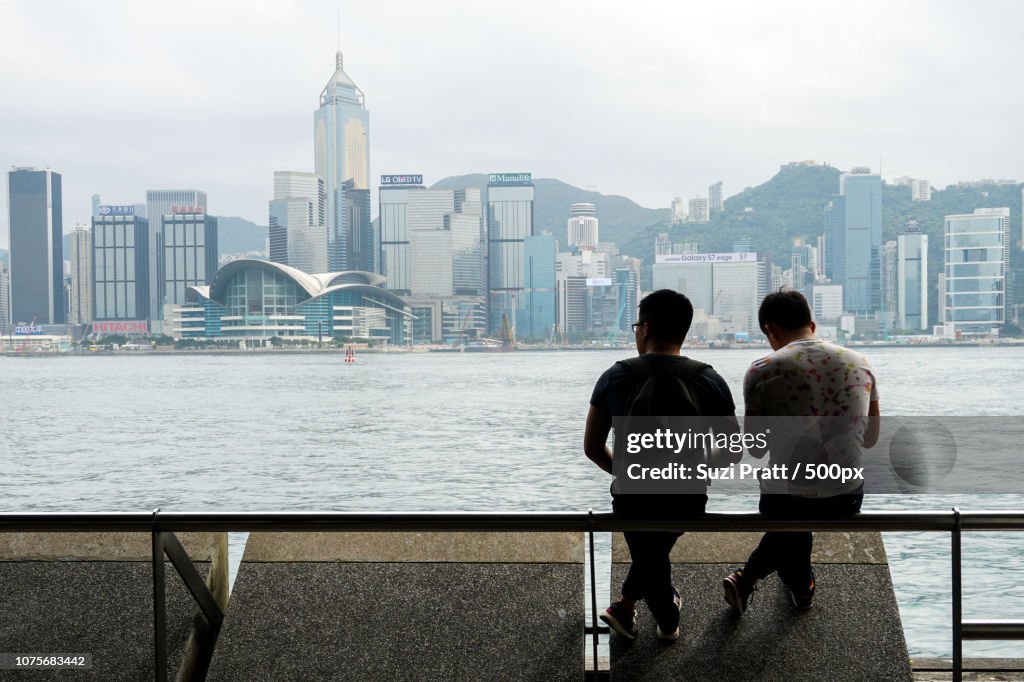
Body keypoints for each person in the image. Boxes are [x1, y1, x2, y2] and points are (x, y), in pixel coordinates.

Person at [585, 289, 739, 641]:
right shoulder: (709, 379)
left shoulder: (616, 376)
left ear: (646, 328)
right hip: (687, 497)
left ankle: (661, 619)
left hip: (631, 496)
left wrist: (629, 472)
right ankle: (637, 610)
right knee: (653, 554)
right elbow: (731, 450)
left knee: (649, 554)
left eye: (637, 324)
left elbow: (592, 448)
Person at [723, 290, 880, 614]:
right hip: (845, 496)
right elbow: (871, 439)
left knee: (791, 508)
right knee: (798, 508)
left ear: (769, 330)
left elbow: (755, 446)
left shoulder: (761, 370)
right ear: (811, 323)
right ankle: (798, 586)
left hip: (784, 500)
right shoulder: (861, 364)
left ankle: (754, 578)